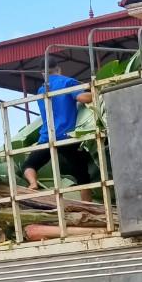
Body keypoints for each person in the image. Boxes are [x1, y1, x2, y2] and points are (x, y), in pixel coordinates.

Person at [23, 63, 95, 200]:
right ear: (59, 69)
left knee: (29, 164)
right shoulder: (67, 82)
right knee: (82, 174)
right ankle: (87, 205)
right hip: (66, 136)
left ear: (43, 73)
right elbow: (83, 98)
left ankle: (32, 183)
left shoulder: (41, 90)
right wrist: (98, 90)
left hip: (47, 137)